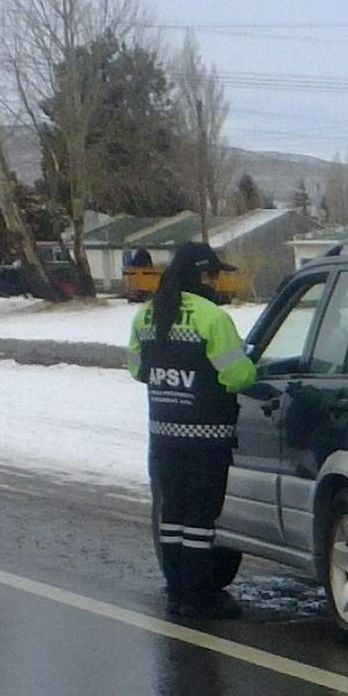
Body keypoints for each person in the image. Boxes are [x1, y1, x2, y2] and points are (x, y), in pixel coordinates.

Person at [124, 242, 258, 620]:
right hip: (207, 438)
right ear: (202, 275)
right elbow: (237, 375)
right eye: (214, 274)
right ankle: (199, 598)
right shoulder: (210, 317)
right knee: (199, 520)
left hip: (164, 435)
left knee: (172, 516)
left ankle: (177, 592)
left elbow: (137, 370)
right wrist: (251, 368)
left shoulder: (148, 315)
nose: (216, 282)